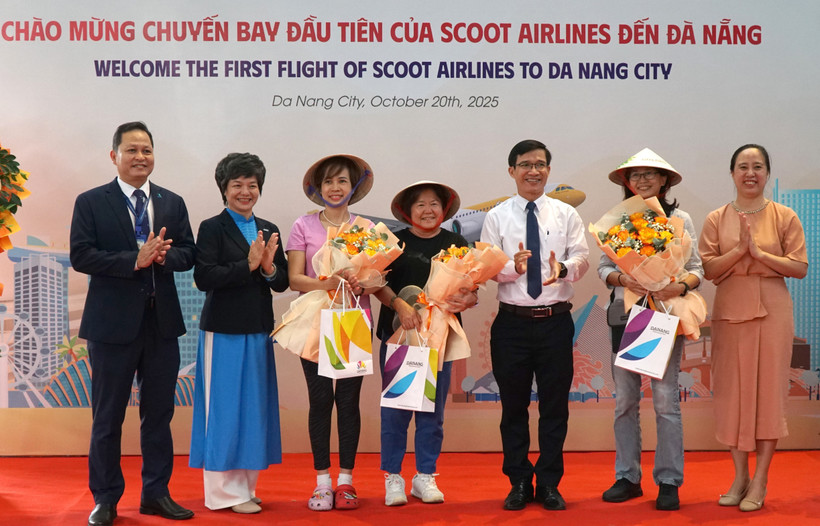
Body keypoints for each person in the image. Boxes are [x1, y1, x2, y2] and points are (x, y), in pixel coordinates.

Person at [70, 121, 196, 526]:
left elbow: (189, 254)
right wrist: (133, 260)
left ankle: (156, 494)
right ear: (114, 156)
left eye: (147, 150)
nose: (140, 157)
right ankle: (105, 498)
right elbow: (81, 256)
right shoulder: (91, 202)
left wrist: (162, 257)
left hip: (161, 326)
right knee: (107, 417)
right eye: (132, 150)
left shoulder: (172, 202)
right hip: (111, 328)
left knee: (158, 416)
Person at [480, 140, 589, 511]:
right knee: (513, 408)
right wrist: (514, 267)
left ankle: (550, 483)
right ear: (511, 171)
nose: (534, 171)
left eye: (541, 164)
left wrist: (564, 269)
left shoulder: (564, 214)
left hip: (555, 323)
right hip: (511, 326)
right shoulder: (496, 217)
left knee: (555, 408)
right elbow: (487, 266)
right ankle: (519, 481)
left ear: (548, 170)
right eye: (525, 164)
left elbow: (581, 257)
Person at [699, 144, 807, 512]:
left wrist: (761, 255)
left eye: (757, 167)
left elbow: (800, 266)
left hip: (773, 309)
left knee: (767, 392)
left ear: (767, 173)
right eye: (743, 166)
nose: (750, 173)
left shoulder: (784, 215)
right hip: (730, 308)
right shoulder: (717, 217)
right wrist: (739, 252)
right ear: (732, 173)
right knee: (731, 392)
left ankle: (760, 478)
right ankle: (739, 475)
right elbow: (708, 271)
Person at [597, 148, 703, 511]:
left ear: (664, 180)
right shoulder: (617, 220)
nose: (642, 180)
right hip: (625, 316)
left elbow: (696, 269)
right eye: (635, 175)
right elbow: (601, 267)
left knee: (665, 401)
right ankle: (627, 476)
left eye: (650, 174)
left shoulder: (681, 219)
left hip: (663, 317)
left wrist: (680, 286)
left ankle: (669, 480)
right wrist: (621, 276)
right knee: (625, 401)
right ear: (627, 183)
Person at [188, 153, 289, 514]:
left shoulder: (268, 226)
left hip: (258, 330)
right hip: (224, 330)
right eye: (237, 185)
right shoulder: (212, 227)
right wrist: (245, 265)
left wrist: (267, 268)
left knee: (252, 409)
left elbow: (282, 281)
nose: (245, 192)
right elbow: (205, 278)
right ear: (224, 189)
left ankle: (244, 488)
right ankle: (221, 494)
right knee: (224, 409)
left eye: (252, 185)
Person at [373, 181, 477, 506]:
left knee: (432, 412)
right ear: (408, 211)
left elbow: (471, 289)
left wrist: (467, 299)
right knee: (397, 411)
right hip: (400, 336)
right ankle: (393, 478)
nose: (428, 210)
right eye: (420, 205)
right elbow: (375, 282)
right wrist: (400, 306)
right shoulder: (394, 243)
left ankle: (425, 477)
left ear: (443, 210)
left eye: (434, 204)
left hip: (440, 339)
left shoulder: (457, 243)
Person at [285, 154, 373, 511]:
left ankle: (346, 481)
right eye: (328, 182)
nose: (335, 188)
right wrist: (328, 282)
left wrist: (365, 281)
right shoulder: (303, 226)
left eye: (341, 182)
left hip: (353, 321)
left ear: (353, 187)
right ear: (317, 188)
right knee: (320, 400)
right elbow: (294, 280)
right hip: (315, 322)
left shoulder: (365, 228)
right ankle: (322, 481)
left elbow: (373, 278)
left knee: (349, 403)